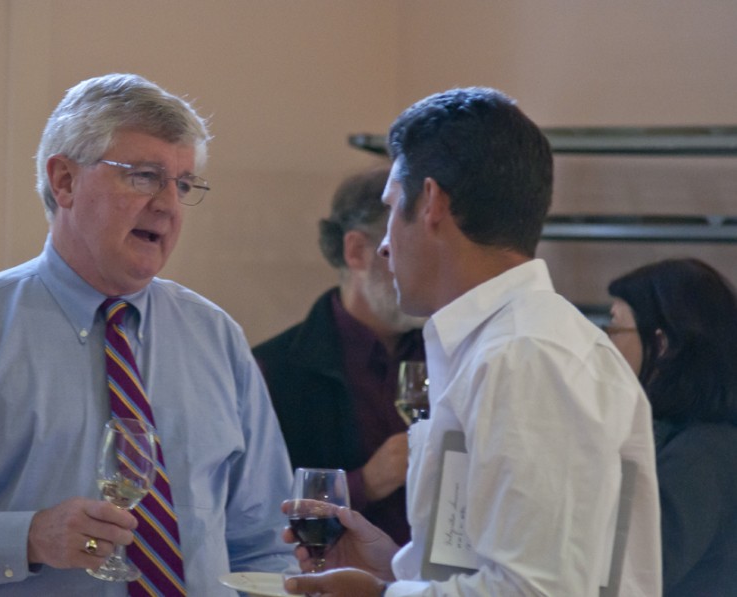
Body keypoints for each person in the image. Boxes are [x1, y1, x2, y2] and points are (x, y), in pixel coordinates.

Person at [0, 73, 294, 596]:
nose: (169, 204)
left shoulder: (217, 337)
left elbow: (265, 546)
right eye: (145, 176)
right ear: (65, 182)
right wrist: (26, 537)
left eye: (183, 183)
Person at [282, 87, 663, 596]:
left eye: (394, 208)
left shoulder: (528, 356)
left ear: (433, 202)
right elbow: (490, 562)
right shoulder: (501, 346)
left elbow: (539, 591)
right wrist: (397, 569)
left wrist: (382, 596)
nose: (388, 244)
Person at [253, 167, 426, 546]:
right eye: (405, 247)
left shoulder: (448, 351)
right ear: (356, 251)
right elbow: (258, 512)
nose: (422, 267)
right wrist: (367, 483)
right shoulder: (277, 369)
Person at [607, 258, 737, 596]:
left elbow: (634, 575)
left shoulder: (697, 460)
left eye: (615, 328)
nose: (606, 345)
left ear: (661, 345)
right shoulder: (699, 442)